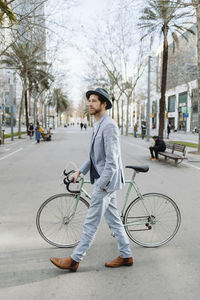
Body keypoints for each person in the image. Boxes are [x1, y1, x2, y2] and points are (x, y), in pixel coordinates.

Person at [50, 87, 133, 272]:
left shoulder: (109, 125)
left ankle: (75, 259)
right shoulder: (98, 124)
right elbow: (95, 157)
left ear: (104, 104)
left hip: (105, 184)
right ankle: (126, 255)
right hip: (105, 182)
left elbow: (111, 162)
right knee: (114, 221)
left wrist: (101, 186)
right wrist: (79, 172)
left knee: (91, 222)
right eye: (90, 100)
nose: (90, 103)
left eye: (94, 100)